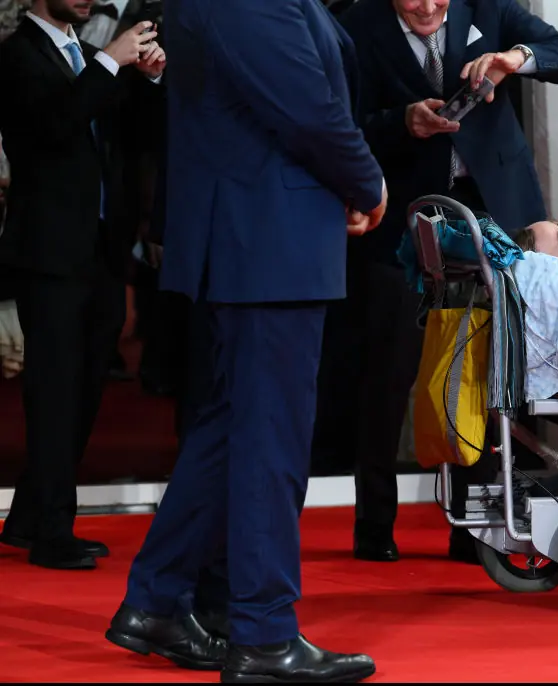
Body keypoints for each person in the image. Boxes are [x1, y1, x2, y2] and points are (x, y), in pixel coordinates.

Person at [104, 0, 388, 682]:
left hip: (259, 231)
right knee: (268, 441)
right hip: (268, 234)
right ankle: (261, 633)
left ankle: (157, 601)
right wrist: (367, 181)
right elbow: (305, 108)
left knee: (233, 430)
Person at [322, 0, 558, 564]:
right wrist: (402, 122)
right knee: (388, 371)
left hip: (494, 213)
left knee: (488, 367)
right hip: (400, 218)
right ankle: (374, 524)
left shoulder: (487, 9)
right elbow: (337, 125)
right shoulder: (354, 27)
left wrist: (515, 58)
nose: (428, 7)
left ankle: (478, 526)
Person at [0, 0, 164, 570]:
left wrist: (148, 76)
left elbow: (134, 136)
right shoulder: (15, 55)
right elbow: (53, 128)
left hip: (100, 251)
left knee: (89, 383)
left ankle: (27, 516)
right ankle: (52, 530)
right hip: (48, 251)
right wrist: (109, 66)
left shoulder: (92, 57)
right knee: (53, 391)